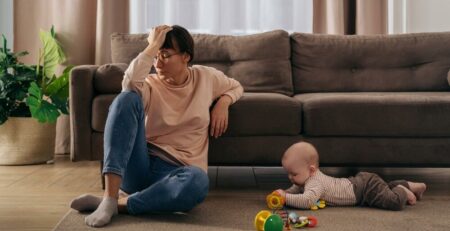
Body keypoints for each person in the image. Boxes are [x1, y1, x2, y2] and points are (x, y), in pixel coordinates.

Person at [69, 25, 243, 227]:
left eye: (165, 55)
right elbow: (129, 84)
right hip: (140, 166)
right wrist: (152, 46)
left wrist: (224, 102)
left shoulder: (206, 78)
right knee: (126, 99)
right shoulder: (149, 84)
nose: (157, 63)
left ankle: (118, 204)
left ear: (186, 57)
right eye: (155, 55)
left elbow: (236, 86)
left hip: (176, 174)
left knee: (199, 181)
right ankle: (110, 196)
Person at [273, 142, 427, 211]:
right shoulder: (305, 179)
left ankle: (401, 189)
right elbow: (295, 189)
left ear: (312, 170)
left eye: (294, 174)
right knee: (384, 190)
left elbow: (307, 200)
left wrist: (286, 199)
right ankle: (410, 185)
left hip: (364, 189)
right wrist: (284, 194)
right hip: (360, 184)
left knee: (393, 202)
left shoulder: (315, 182)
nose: (290, 177)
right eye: (288, 173)